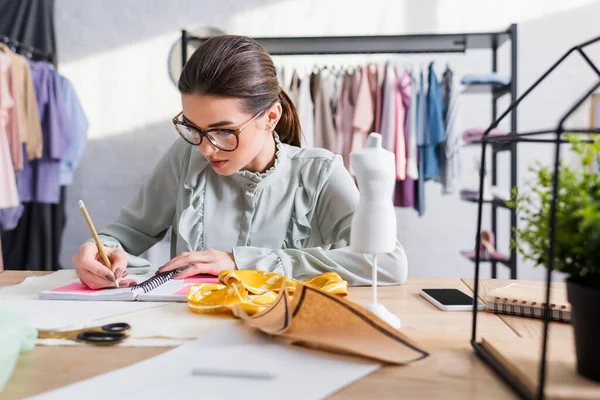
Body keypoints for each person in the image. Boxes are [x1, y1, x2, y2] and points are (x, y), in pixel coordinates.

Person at [72, 35, 408, 289]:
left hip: (289, 342)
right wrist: (100, 250)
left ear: (271, 117)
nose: (206, 148)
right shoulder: (184, 158)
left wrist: (241, 262)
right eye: (194, 129)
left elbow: (388, 264)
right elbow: (128, 233)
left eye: (223, 131)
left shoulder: (320, 173)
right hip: (187, 338)